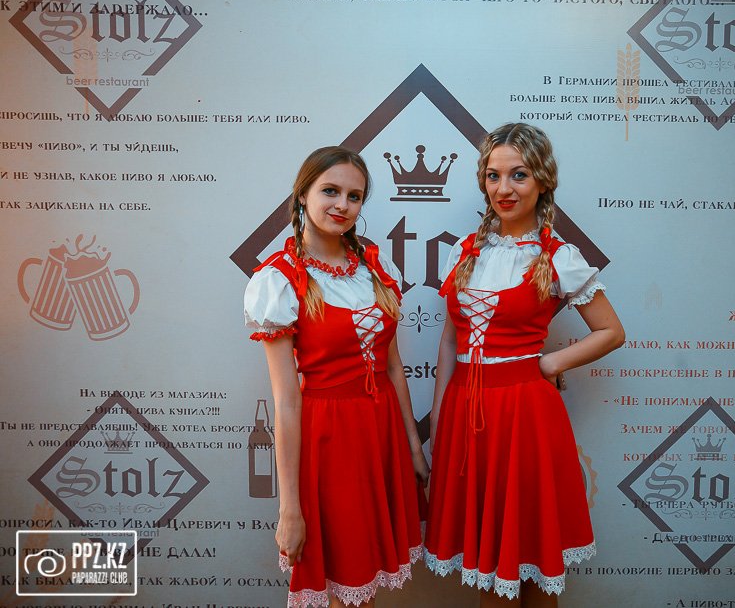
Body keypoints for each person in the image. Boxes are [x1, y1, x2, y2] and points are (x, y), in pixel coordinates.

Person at [423, 123, 625, 607]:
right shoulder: (464, 252)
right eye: (493, 176)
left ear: (542, 180)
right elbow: (449, 341)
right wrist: (441, 415)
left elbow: (611, 331)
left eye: (518, 175)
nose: (504, 189)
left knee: (528, 562)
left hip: (525, 418)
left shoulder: (557, 256)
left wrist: (549, 362)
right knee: (488, 564)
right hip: (466, 415)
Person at [243, 146, 429, 608]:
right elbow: (287, 402)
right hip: (329, 440)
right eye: (330, 191)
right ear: (302, 194)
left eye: (354, 196)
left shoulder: (374, 265)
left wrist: (412, 447)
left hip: (382, 432)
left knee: (368, 586)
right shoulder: (279, 279)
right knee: (347, 586)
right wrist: (290, 508)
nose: (342, 205)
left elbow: (392, 366)